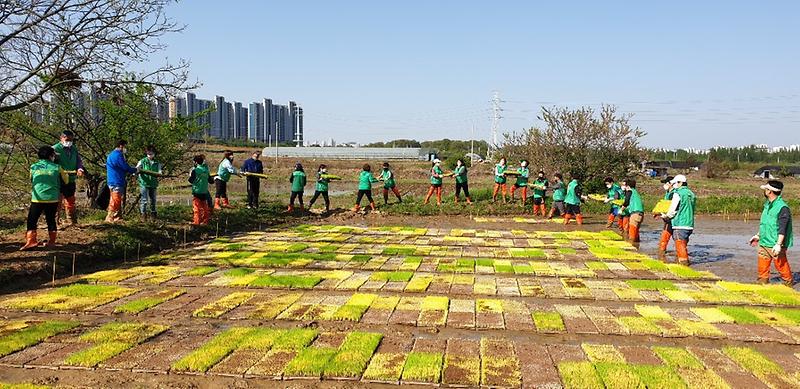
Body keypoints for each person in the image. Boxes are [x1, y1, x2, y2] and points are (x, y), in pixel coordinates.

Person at [20, 146, 68, 250]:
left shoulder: (34, 167)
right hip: (52, 199)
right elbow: (66, 180)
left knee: (32, 220)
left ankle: (31, 241)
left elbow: (31, 179)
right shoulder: (57, 167)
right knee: (50, 219)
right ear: (51, 156)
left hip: (37, 199)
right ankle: (52, 242)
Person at [750, 180, 794, 286]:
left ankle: (788, 282)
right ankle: (763, 281)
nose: (764, 191)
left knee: (780, 264)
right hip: (764, 241)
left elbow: (782, 228)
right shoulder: (768, 205)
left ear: (770, 191)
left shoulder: (782, 208)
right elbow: (765, 224)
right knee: (762, 264)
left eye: (766, 189)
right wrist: (758, 235)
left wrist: (779, 244)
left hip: (775, 242)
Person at [52, 130, 85, 226]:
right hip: (59, 180)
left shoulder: (74, 149)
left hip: (71, 179)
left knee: (70, 200)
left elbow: (78, 161)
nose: (69, 141)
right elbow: (50, 164)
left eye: (71, 139)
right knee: (57, 201)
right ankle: (55, 221)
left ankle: (72, 221)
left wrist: (79, 168)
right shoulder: (55, 149)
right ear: (61, 138)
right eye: (67, 139)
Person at [662, 175, 695, 265]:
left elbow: (673, 209)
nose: (674, 185)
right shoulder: (691, 193)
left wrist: (666, 216)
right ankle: (683, 262)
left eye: (675, 183)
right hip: (689, 224)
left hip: (679, 223)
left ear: (680, 183)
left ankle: (684, 264)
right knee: (683, 245)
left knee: (680, 245)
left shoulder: (678, 194)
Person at [105, 140, 138, 223]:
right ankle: (110, 217)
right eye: (125, 146)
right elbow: (125, 167)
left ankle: (118, 217)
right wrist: (135, 170)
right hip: (117, 180)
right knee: (115, 199)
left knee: (116, 199)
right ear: (121, 146)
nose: (126, 149)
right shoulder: (118, 155)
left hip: (112, 180)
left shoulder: (111, 155)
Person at [135, 145, 162, 221]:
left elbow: (160, 172)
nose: (150, 155)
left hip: (153, 184)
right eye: (148, 153)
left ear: (154, 153)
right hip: (144, 183)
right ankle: (143, 215)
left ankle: (153, 215)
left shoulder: (157, 163)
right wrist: (137, 171)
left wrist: (159, 174)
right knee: (144, 200)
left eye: (151, 153)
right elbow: (136, 170)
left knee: (153, 200)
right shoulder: (142, 161)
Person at [619, 178, 644, 243]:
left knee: (632, 231)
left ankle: (631, 246)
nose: (624, 187)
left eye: (625, 185)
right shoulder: (635, 192)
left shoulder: (629, 191)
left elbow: (626, 202)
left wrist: (621, 209)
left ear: (628, 186)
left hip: (635, 214)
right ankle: (637, 245)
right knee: (636, 232)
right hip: (640, 214)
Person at [188, 154, 211, 226]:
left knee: (196, 207)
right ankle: (205, 221)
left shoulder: (195, 170)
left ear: (196, 162)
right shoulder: (206, 170)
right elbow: (211, 180)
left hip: (197, 191)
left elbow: (190, 180)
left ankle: (196, 221)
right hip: (204, 191)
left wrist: (190, 174)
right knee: (205, 207)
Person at [656, 176, 676, 257]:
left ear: (670, 183)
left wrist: (664, 215)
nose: (664, 185)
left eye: (665, 183)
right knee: (669, 236)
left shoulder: (673, 194)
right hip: (667, 217)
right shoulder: (668, 193)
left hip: (672, 218)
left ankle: (661, 253)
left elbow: (671, 207)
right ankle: (662, 253)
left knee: (670, 237)